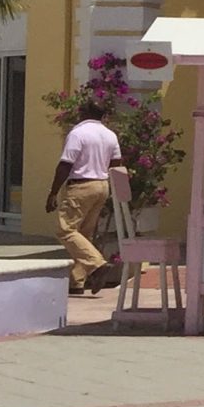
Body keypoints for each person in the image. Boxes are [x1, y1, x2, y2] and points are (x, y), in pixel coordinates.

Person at [44, 96, 125, 295]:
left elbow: (66, 164)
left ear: (84, 113)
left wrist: (53, 192)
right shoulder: (110, 135)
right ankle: (77, 281)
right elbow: (116, 164)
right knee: (84, 234)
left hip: (81, 185)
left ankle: (97, 265)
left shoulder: (78, 133)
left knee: (66, 230)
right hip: (102, 185)